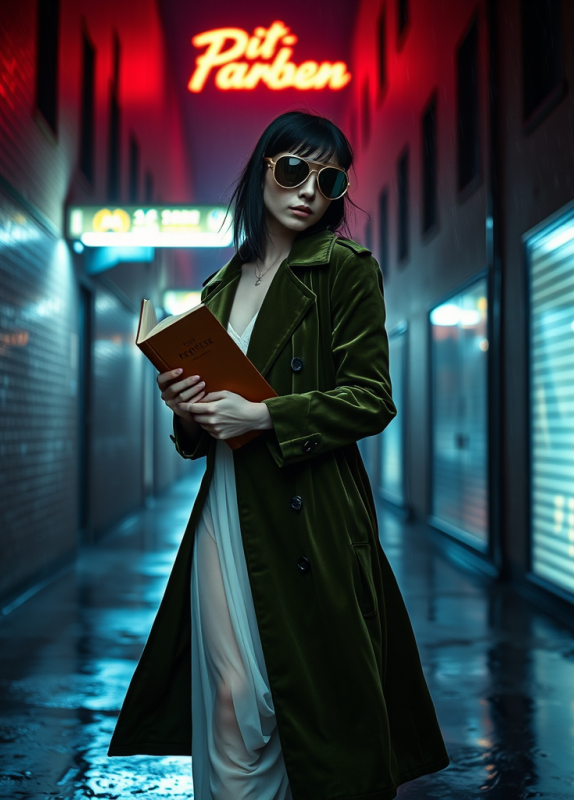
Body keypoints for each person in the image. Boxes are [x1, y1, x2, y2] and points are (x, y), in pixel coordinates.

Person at [108, 110, 449, 800]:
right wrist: (186, 407)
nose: (309, 191)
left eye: (329, 180)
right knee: (232, 699)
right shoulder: (217, 290)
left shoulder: (344, 272)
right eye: (293, 170)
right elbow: (199, 436)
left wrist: (265, 415)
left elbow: (371, 398)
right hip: (227, 513)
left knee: (308, 710)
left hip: (311, 518)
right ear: (262, 168)